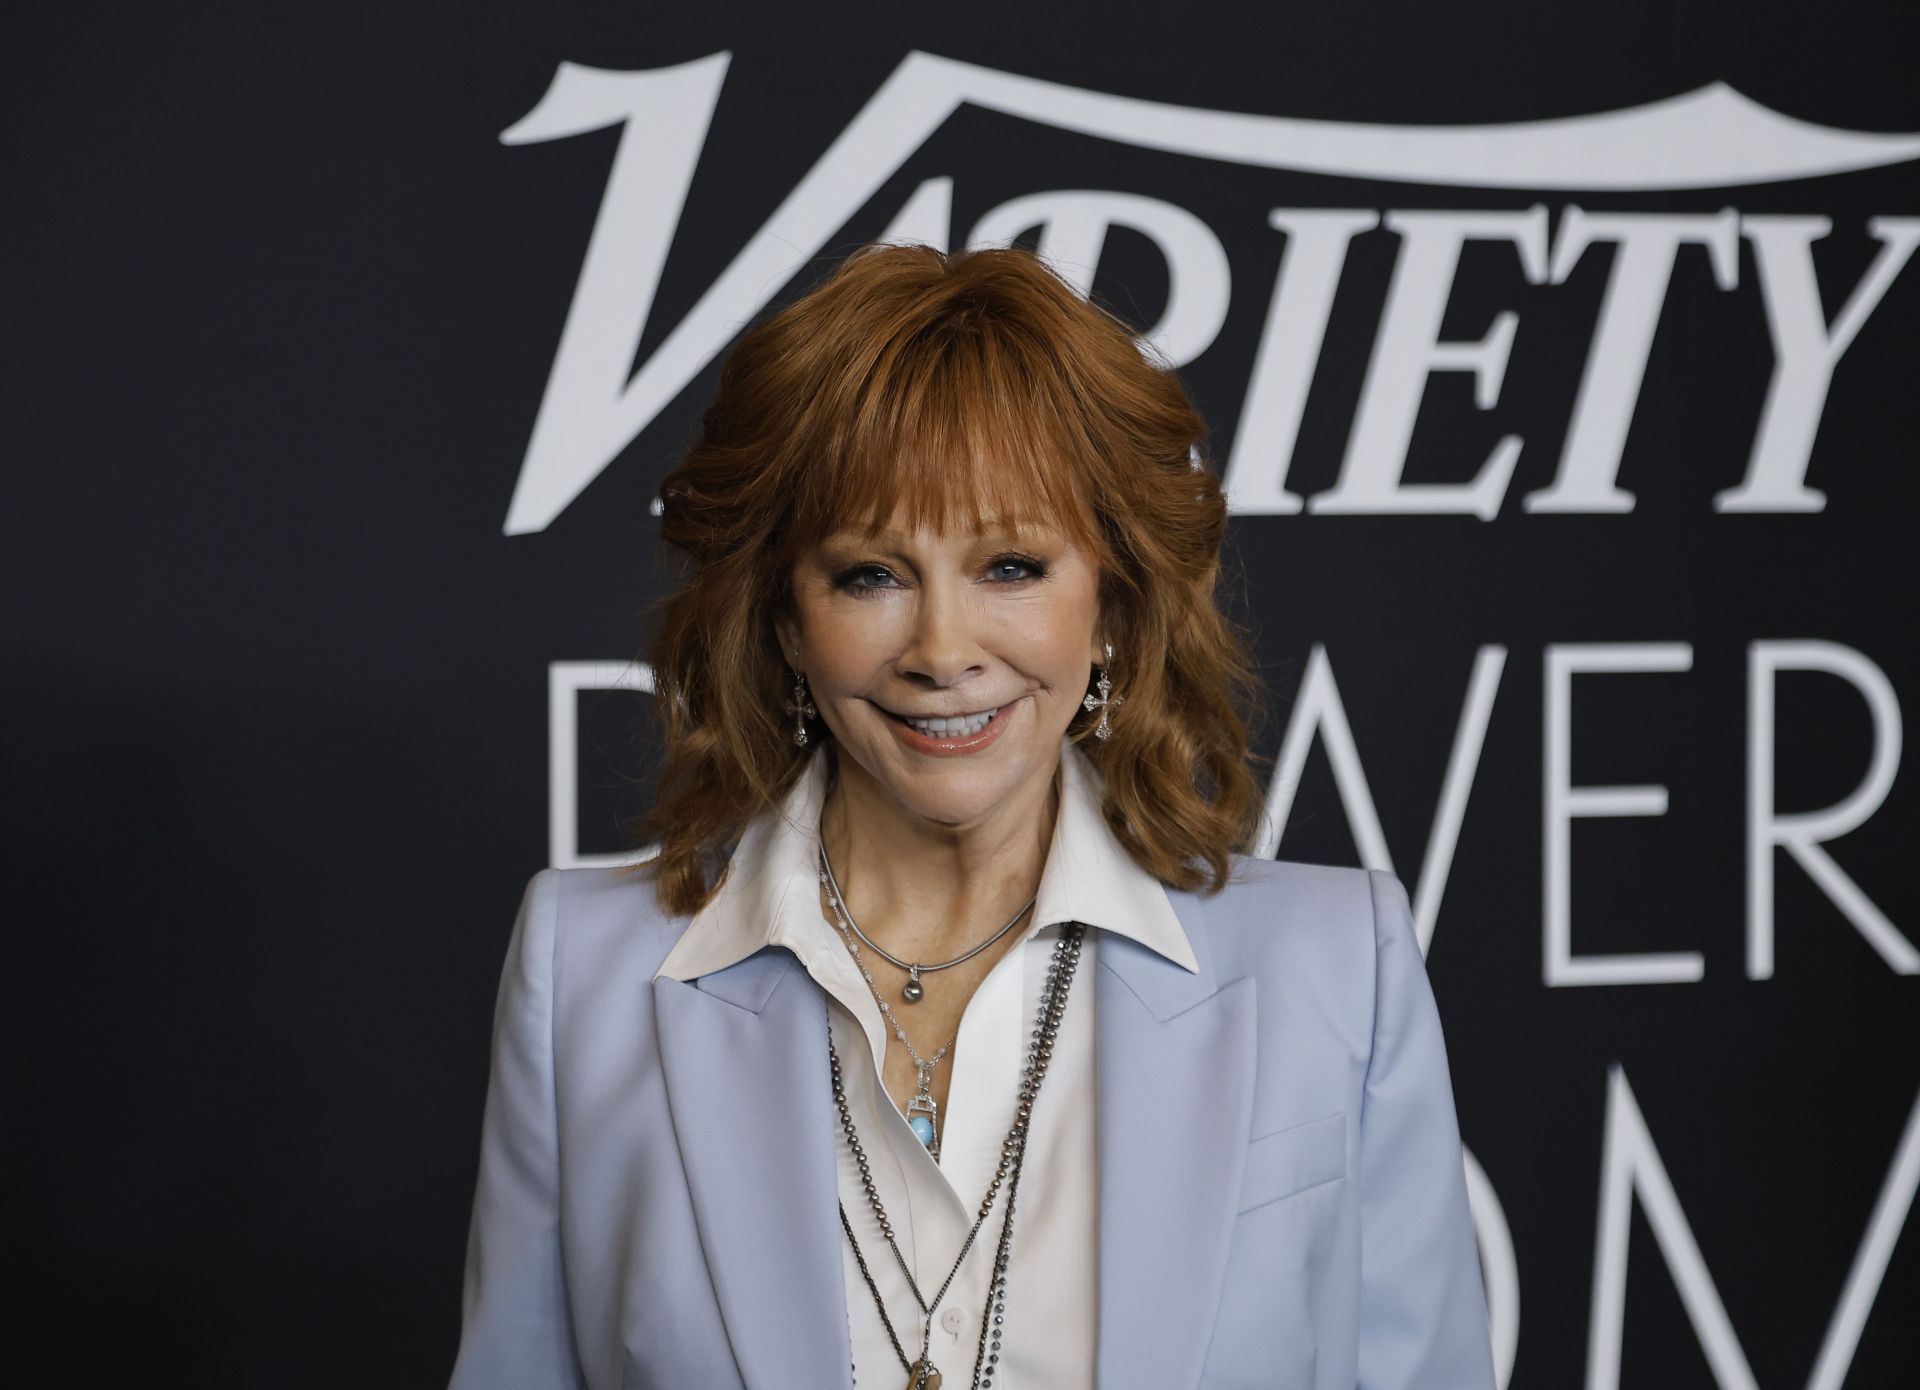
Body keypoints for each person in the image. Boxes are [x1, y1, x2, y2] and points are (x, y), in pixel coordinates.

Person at [448, 243, 1496, 1389]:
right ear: (786, 620)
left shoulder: (1337, 968)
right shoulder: (586, 978)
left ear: (1111, 603)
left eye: (1010, 566)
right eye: (871, 575)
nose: (943, 651)